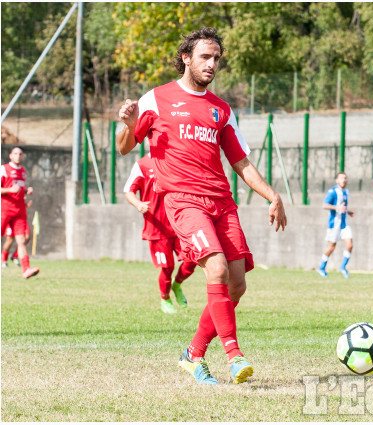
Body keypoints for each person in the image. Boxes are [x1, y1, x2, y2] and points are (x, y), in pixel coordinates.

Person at [116, 27, 287, 386]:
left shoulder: (221, 110)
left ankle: (193, 355)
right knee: (218, 269)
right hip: (183, 201)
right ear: (186, 58)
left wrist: (272, 195)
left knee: (237, 285)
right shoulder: (157, 98)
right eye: (205, 57)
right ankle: (234, 355)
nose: (212, 64)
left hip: (222, 203)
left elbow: (241, 162)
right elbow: (124, 147)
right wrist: (130, 124)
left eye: (216, 59)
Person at [124, 153, 198, 314]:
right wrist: (138, 204)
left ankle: (177, 285)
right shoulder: (142, 165)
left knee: (193, 259)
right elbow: (129, 191)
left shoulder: (177, 158)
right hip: (157, 228)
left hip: (179, 224)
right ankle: (165, 299)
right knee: (167, 267)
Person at [1, 147, 40, 279]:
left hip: (19, 211)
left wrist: (26, 191)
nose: (18, 156)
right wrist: (10, 189)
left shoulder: (22, 171)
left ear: (23, 157)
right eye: (15, 154)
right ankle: (5, 260)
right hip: (5, 210)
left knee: (22, 240)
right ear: (10, 156)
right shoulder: (4, 169)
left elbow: (18, 189)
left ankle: (26, 269)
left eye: (20, 154)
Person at [317, 171, 355, 278]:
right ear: (337, 180)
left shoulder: (346, 191)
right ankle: (321, 267)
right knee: (331, 247)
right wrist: (337, 208)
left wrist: (348, 211)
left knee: (350, 245)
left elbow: (343, 206)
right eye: (341, 178)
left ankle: (342, 267)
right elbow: (324, 205)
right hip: (334, 224)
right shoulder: (332, 192)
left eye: (345, 178)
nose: (344, 180)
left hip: (344, 224)